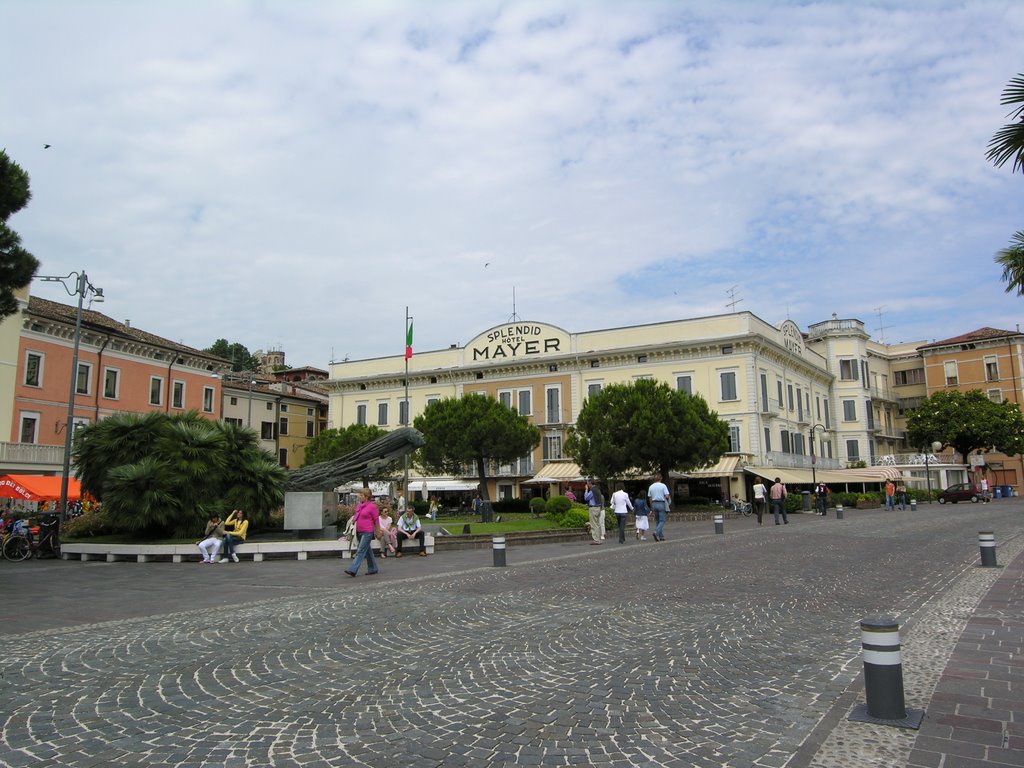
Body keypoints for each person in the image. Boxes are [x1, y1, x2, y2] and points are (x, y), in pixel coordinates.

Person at [344, 487, 380, 577]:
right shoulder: (359, 506)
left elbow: (376, 520)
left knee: (360, 550)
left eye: (361, 495)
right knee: (367, 550)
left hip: (368, 531)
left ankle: (352, 569)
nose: (359, 496)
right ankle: (373, 568)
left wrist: (378, 531)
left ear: (366, 496)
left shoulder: (372, 506)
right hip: (359, 531)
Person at [647, 474, 671, 541]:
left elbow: (650, 497)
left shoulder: (651, 487)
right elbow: (667, 496)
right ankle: (656, 532)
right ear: (661, 478)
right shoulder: (663, 486)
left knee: (657, 520)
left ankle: (661, 537)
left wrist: (651, 507)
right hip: (661, 503)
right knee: (662, 520)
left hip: (654, 503)